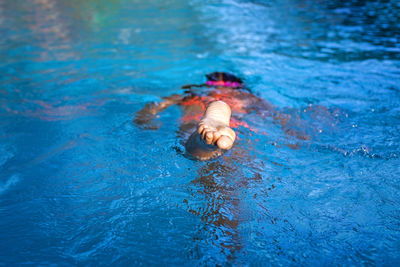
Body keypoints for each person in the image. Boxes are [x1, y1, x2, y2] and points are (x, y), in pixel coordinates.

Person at [134, 72, 289, 160]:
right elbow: (279, 116)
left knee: (191, 139)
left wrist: (145, 118)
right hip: (238, 130)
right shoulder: (247, 98)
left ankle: (205, 142)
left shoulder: (192, 93)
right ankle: (215, 138)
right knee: (230, 180)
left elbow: (156, 105)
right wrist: (295, 134)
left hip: (196, 123)